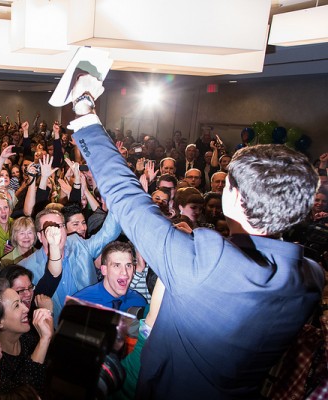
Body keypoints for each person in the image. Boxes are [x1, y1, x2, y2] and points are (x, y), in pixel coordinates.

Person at [61, 65, 323, 398]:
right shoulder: (310, 277)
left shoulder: (206, 262)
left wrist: (85, 110)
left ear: (233, 197)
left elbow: (127, 198)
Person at [73, 241, 147, 312]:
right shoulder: (80, 302)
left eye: (128, 265)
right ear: (104, 270)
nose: (124, 272)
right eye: (117, 265)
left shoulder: (139, 302)